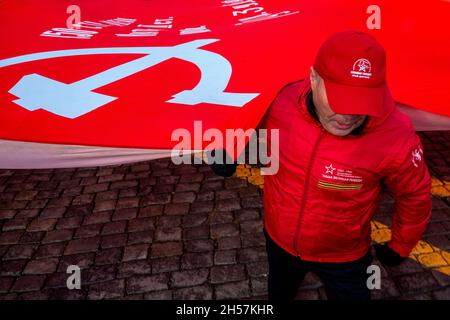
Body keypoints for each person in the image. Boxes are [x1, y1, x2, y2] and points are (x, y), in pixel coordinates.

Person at [211, 30, 432, 300]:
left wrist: (401, 245)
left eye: (361, 102)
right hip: (278, 243)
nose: (348, 115)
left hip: (345, 258)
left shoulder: (397, 136)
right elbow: (244, 122)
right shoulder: (280, 100)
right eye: (340, 100)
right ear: (314, 78)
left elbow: (415, 195)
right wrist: (228, 149)